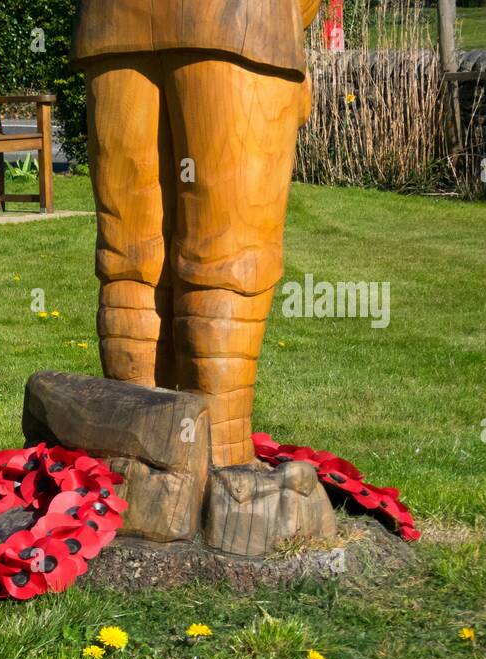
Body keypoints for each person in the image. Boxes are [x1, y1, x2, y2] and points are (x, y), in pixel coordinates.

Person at [73, 0, 321, 467]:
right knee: (227, 258)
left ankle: (137, 465)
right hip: (241, 24)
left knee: (129, 261)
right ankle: (219, 465)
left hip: (112, 25)